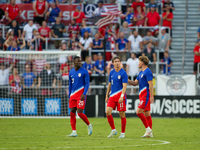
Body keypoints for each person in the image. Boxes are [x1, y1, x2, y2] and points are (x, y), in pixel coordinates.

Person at [128, 56, 154, 138]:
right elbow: (135, 83)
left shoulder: (147, 72)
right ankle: (150, 133)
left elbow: (151, 84)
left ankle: (148, 129)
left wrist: (151, 96)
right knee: (146, 113)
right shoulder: (141, 72)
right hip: (142, 95)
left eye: (139, 62)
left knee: (138, 112)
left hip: (146, 95)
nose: (138, 63)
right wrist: (126, 79)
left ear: (142, 63)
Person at [67, 56, 93, 137]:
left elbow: (87, 83)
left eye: (80, 61)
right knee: (72, 112)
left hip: (81, 95)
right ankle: (74, 131)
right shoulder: (71, 72)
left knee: (80, 113)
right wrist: (69, 96)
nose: (79, 62)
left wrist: (84, 93)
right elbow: (70, 85)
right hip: (73, 95)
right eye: (77, 61)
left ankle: (89, 125)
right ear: (74, 62)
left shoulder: (85, 71)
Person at [105, 56, 128, 138]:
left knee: (122, 114)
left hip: (120, 96)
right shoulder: (111, 73)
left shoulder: (123, 73)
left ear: (120, 62)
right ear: (113, 63)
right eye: (116, 61)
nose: (117, 63)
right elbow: (110, 84)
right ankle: (113, 130)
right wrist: (107, 95)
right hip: (112, 96)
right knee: (107, 112)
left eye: (119, 61)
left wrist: (122, 96)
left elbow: (125, 85)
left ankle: (122, 133)